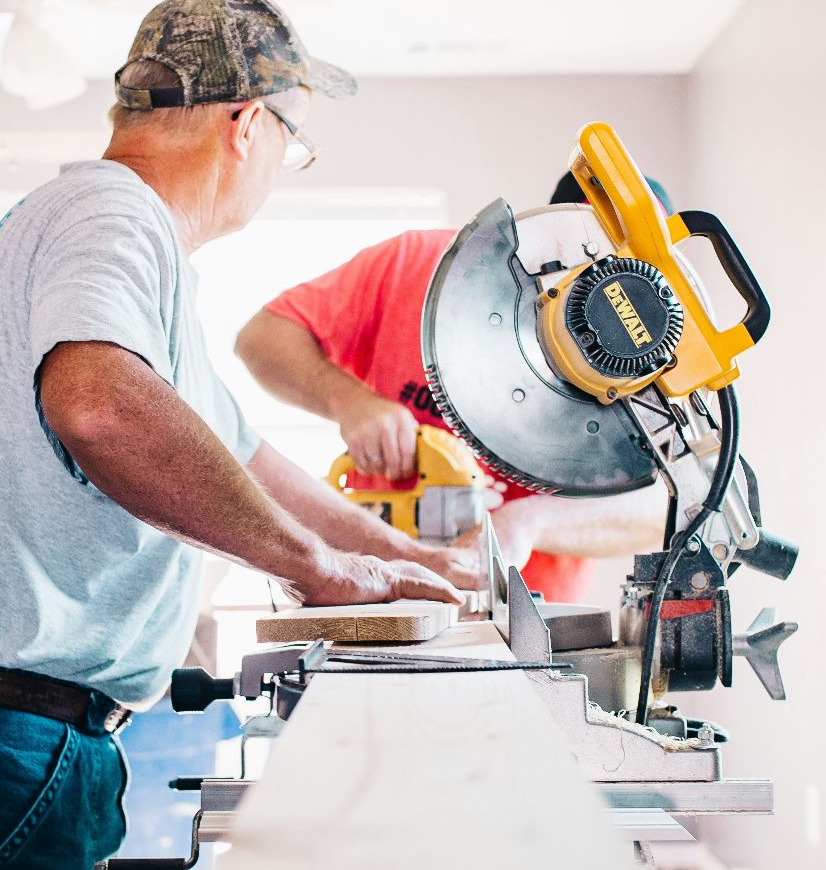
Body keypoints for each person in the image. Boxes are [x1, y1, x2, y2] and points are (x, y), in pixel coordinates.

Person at [0, 0, 477, 870]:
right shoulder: (110, 215)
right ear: (249, 124)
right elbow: (96, 407)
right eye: (291, 143)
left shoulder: (124, 248)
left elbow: (247, 455)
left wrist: (403, 557)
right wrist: (314, 567)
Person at [235, 173, 678, 603]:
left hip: (528, 618)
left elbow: (670, 507)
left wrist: (532, 521)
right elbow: (262, 338)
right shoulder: (417, 264)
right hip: (373, 588)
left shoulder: (646, 359)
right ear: (542, 227)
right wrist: (349, 401)